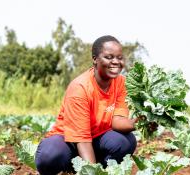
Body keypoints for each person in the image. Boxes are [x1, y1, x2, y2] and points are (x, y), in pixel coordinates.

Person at [35, 35, 137, 175]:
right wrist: (92, 172)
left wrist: (138, 123)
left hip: (96, 139)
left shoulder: (121, 83)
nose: (116, 62)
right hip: (68, 141)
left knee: (125, 141)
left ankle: (99, 170)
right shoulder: (80, 88)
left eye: (119, 58)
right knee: (50, 155)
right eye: (109, 57)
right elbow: (82, 139)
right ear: (95, 59)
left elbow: (117, 121)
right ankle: (73, 169)